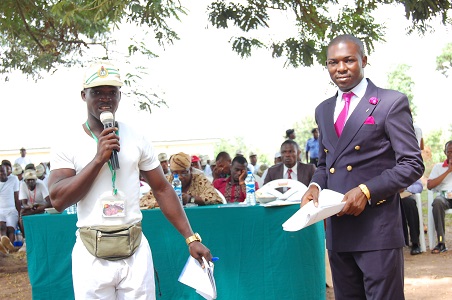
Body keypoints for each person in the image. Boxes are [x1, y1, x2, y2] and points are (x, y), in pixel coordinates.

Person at [48, 61, 212, 299]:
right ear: (84, 95)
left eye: (112, 92)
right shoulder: (68, 141)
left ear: (119, 96)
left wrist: (190, 238)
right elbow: (58, 199)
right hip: (90, 254)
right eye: (97, 92)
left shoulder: (136, 137)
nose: (106, 99)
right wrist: (98, 160)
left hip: (134, 251)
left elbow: (162, 189)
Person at [301, 34, 424, 299]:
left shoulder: (390, 102)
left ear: (364, 60)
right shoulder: (323, 110)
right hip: (338, 229)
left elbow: (412, 164)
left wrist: (367, 190)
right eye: (333, 62)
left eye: (348, 60)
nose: (340, 68)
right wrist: (314, 186)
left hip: (376, 230)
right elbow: (325, 163)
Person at [140, 152, 223, 208]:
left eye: (184, 173)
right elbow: (143, 202)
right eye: (175, 173)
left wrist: (191, 199)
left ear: (190, 170)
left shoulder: (199, 179)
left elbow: (217, 199)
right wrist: (165, 202)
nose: (179, 177)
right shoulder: (165, 181)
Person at [427, 140, 452, 254]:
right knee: (437, 202)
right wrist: (448, 171)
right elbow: (429, 185)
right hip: (444, 198)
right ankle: (441, 242)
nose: (451, 154)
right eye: (449, 152)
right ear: (445, 152)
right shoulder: (438, 167)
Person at [18, 169, 52, 252]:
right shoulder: (22, 185)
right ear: (25, 181)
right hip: (31, 208)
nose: (30, 182)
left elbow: (49, 202)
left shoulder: (40, 184)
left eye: (32, 180)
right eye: (28, 180)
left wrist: (39, 208)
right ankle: (26, 240)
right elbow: (24, 203)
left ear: (36, 180)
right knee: (22, 214)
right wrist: (29, 207)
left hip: (42, 207)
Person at [0, 164, 20, 254]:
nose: (1, 174)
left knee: (10, 229)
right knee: (2, 227)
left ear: (7, 172)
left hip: (11, 209)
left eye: (3, 172)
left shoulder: (14, 179)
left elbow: (17, 197)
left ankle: (9, 247)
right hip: (0, 210)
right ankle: (4, 245)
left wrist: (19, 213)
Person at [400, 179, 423, 255]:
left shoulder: (406, 168)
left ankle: (415, 242)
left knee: (410, 203)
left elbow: (419, 187)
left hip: (403, 196)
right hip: (386, 197)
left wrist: (405, 188)